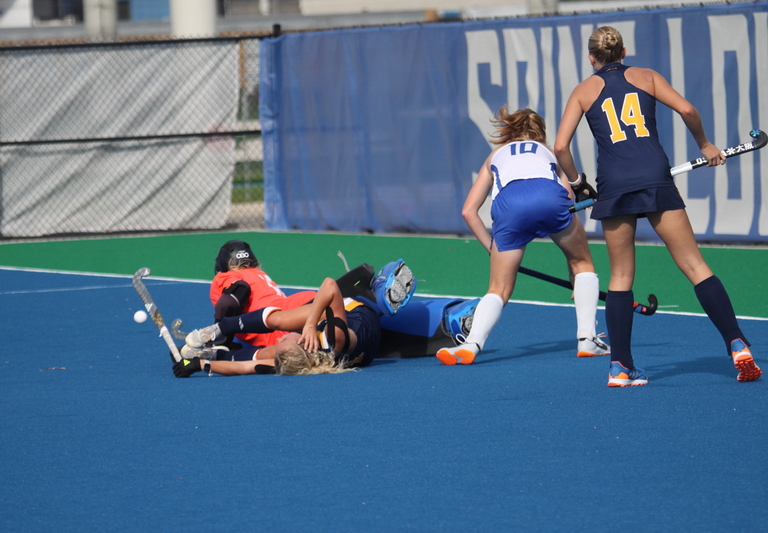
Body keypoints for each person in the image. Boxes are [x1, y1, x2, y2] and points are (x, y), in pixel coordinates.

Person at [553, 25, 761, 386]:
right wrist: (705, 145)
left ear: (591, 57)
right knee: (695, 265)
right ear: (623, 51)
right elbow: (688, 109)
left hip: (614, 185)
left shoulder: (583, 91)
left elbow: (559, 148)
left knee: (620, 277)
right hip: (655, 177)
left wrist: (577, 185)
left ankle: (620, 366)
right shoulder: (646, 76)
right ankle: (737, 343)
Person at [436, 106, 608, 365]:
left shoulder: (495, 155)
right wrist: (575, 273)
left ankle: (471, 344)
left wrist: (492, 247)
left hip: (509, 207)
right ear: (540, 133)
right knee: (583, 264)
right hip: (549, 197)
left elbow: (468, 212)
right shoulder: (548, 152)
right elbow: (569, 199)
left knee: (499, 289)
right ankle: (587, 340)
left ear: (509, 132)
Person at [173, 261, 417, 377]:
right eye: (286, 342)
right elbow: (330, 286)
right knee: (280, 321)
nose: (282, 341)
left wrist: (200, 365)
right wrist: (310, 324)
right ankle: (220, 329)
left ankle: (212, 350)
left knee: (265, 353)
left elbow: (241, 366)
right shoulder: (335, 339)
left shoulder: (294, 363)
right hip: (358, 311)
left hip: (357, 346)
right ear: (302, 343)